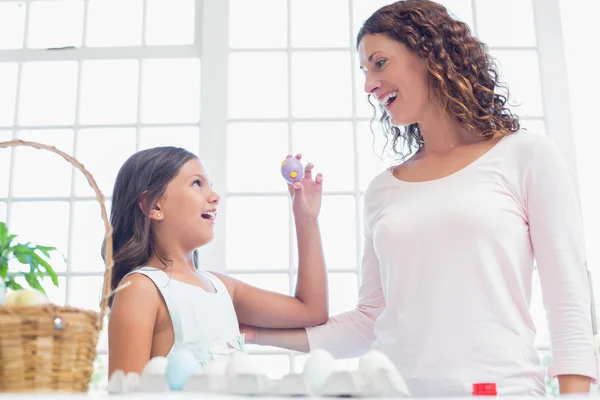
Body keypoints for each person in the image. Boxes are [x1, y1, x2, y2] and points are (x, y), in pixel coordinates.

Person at [239, 0, 598, 396]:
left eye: (379, 63)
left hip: (502, 390)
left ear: (429, 54)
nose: (368, 85)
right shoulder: (383, 189)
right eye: (364, 71)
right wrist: (255, 333)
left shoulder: (526, 155)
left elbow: (567, 295)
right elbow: (370, 321)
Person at [105, 147, 327, 377]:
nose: (215, 196)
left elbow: (312, 311)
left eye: (210, 185)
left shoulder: (221, 288)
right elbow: (125, 392)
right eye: (196, 183)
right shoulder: (141, 288)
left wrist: (306, 219)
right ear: (154, 206)